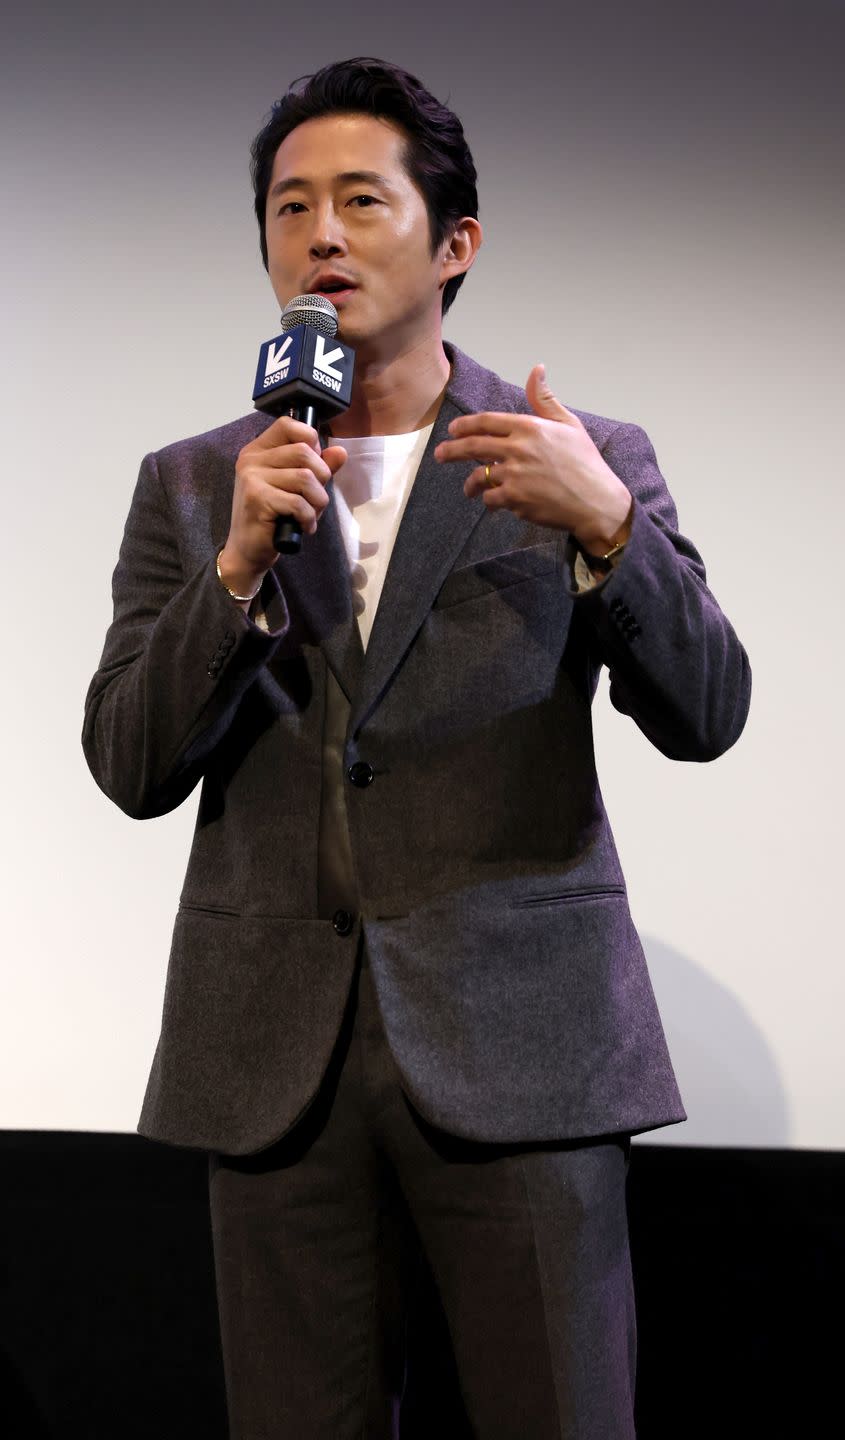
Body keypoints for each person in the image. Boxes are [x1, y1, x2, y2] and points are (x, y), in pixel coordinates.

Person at [83, 56, 751, 1440]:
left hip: (526, 1055)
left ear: (454, 245)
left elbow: (707, 712)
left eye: (358, 201)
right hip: (273, 1068)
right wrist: (231, 579)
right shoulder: (200, 482)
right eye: (287, 207)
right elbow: (129, 765)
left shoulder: (578, 451)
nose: (318, 234)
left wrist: (608, 531)